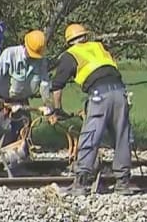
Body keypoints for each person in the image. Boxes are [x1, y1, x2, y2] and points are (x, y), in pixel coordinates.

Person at [45, 23, 133, 195]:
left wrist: (57, 109)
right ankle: (123, 183)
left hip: (100, 96)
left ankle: (81, 183)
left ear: (69, 41)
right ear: (85, 36)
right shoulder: (99, 47)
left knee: (90, 136)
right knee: (122, 136)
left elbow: (57, 85)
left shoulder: (70, 55)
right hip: (120, 92)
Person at [0, 30, 51, 177]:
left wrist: (47, 103)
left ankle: (16, 165)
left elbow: (44, 83)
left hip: (22, 101)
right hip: (2, 100)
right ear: (25, 46)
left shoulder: (41, 60)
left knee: (23, 132)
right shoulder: (10, 54)